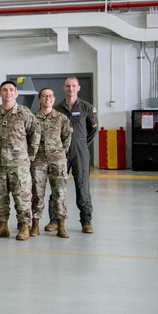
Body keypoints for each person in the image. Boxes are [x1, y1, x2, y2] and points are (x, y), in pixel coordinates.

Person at [0, 80, 41, 240]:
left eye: (11, 90)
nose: (8, 93)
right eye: (4, 90)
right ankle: (2, 226)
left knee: (22, 196)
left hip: (19, 165)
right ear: (0, 93)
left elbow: (35, 134)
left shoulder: (25, 113)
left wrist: (28, 156)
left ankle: (24, 226)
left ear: (16, 93)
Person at [55, 76, 98, 234]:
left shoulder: (87, 107)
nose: (70, 89)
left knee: (82, 185)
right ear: (64, 88)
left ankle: (86, 221)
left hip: (80, 150)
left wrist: (81, 144)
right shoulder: (57, 108)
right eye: (68, 86)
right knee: (58, 186)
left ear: (78, 88)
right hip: (61, 151)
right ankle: (55, 220)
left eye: (73, 86)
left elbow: (93, 130)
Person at [32, 88, 74, 238]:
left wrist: (59, 152)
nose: (47, 99)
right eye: (44, 96)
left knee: (60, 193)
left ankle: (61, 225)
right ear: (39, 99)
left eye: (50, 96)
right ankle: (35, 224)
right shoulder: (33, 118)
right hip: (38, 161)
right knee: (37, 193)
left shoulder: (62, 118)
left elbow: (67, 138)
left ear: (54, 99)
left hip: (57, 161)